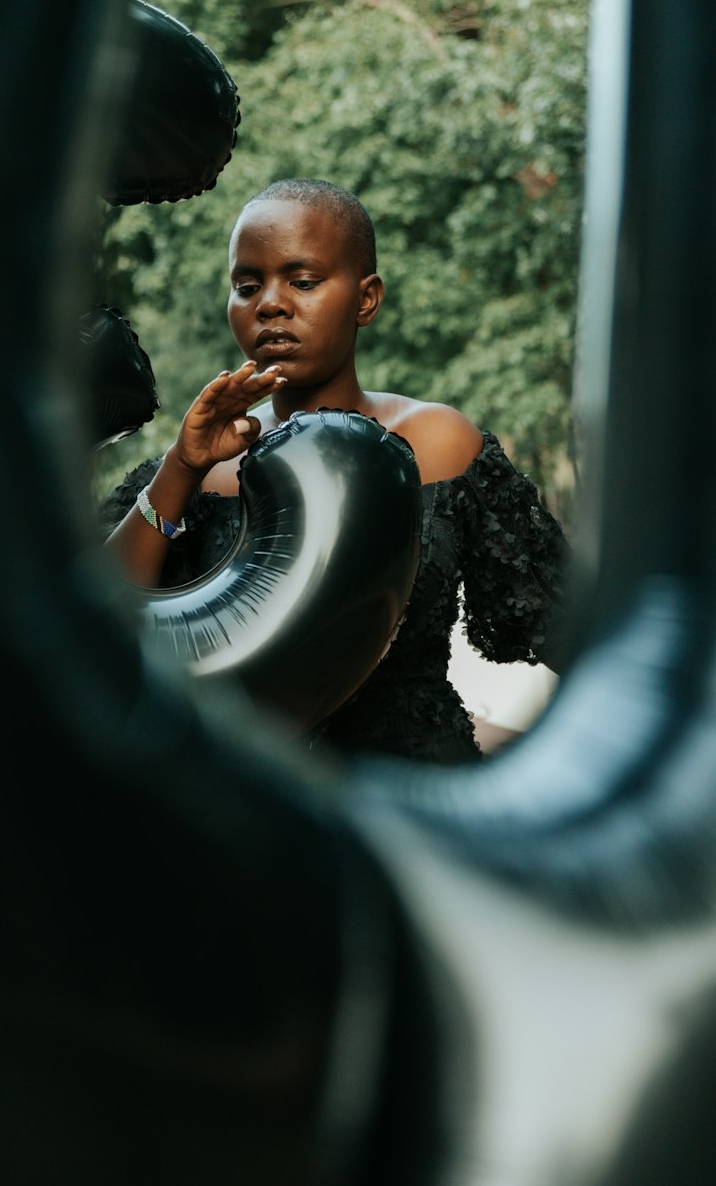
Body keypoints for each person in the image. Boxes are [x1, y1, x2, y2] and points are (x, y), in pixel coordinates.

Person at [102, 178, 568, 763]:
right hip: (259, 816)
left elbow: (574, 631)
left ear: (366, 299)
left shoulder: (439, 444)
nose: (269, 304)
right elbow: (93, 625)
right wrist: (181, 467)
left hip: (417, 808)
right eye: (247, 286)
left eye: (302, 281)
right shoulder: (201, 468)